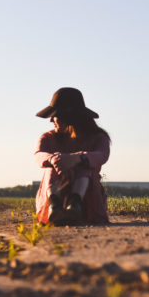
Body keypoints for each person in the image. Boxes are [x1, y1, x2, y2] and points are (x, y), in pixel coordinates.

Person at [33, 87, 111, 225]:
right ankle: (54, 206)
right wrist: (53, 159)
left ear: (69, 119)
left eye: (55, 115)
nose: (51, 120)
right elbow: (38, 156)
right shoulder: (47, 138)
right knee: (51, 168)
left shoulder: (99, 138)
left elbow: (102, 155)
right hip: (54, 193)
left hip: (89, 200)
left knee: (84, 165)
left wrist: (78, 158)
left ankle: (75, 204)